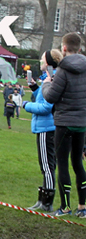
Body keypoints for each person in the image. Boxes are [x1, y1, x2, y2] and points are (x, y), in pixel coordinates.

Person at [42, 32, 86, 217]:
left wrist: (46, 84)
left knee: (62, 164)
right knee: (78, 163)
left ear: (64, 48)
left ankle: (65, 206)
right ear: (80, 48)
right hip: (82, 122)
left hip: (65, 122)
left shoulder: (63, 69)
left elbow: (51, 97)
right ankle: (82, 206)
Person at [23, 50, 60, 213]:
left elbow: (46, 107)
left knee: (47, 165)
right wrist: (34, 87)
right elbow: (43, 96)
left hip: (47, 127)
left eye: (43, 58)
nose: (40, 61)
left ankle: (47, 202)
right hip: (46, 127)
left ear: (49, 62)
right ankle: (43, 199)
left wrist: (26, 105)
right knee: (46, 164)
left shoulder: (52, 79)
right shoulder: (49, 78)